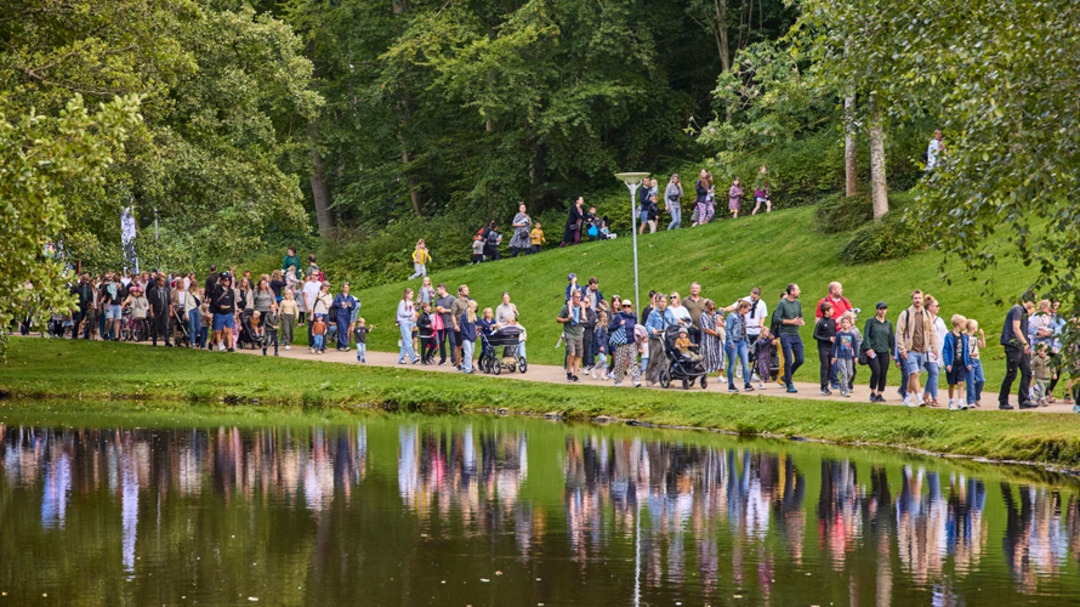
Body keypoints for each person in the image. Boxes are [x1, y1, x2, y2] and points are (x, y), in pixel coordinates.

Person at [895, 290, 939, 408]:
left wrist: (935, 348)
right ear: (912, 299)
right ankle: (920, 399)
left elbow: (931, 332)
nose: (917, 300)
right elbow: (899, 333)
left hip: (922, 350)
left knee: (912, 376)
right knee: (915, 373)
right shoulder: (906, 314)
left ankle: (907, 398)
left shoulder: (926, 314)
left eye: (919, 298)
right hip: (910, 350)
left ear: (923, 299)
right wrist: (902, 350)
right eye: (915, 298)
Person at [772, 283, 806, 393]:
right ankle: (789, 384)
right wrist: (791, 321)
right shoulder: (782, 303)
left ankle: (786, 376)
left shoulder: (797, 303)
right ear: (792, 292)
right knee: (788, 359)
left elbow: (799, 316)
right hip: (785, 334)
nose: (799, 291)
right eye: (797, 289)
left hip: (795, 334)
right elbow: (776, 319)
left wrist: (800, 321)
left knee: (800, 359)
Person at [862, 302, 895, 403]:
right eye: (880, 309)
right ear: (877, 310)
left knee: (883, 373)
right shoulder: (871, 321)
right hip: (873, 350)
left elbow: (891, 338)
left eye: (884, 308)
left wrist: (893, 352)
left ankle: (880, 393)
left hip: (884, 351)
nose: (882, 311)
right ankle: (872, 391)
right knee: (876, 371)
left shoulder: (888, 324)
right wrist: (868, 348)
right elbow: (866, 335)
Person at [644, 294, 675, 385]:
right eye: (661, 301)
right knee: (654, 359)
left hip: (666, 338)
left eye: (664, 301)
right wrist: (652, 329)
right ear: (657, 302)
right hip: (655, 339)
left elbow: (674, 323)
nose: (663, 303)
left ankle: (664, 379)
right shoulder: (653, 313)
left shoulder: (669, 312)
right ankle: (650, 379)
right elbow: (647, 325)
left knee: (665, 359)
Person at [610, 299, 641, 387]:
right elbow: (611, 328)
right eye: (624, 306)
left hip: (632, 341)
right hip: (622, 342)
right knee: (620, 362)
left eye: (628, 306)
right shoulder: (618, 317)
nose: (626, 308)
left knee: (633, 361)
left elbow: (635, 328)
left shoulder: (633, 317)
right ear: (622, 307)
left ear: (631, 307)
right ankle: (618, 380)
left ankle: (635, 380)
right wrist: (619, 324)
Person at [558, 289, 587, 382]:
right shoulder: (566, 307)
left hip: (579, 334)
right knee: (571, 353)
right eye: (577, 297)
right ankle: (569, 372)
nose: (578, 299)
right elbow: (558, 319)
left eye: (580, 297)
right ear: (573, 297)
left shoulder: (581, 308)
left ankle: (575, 375)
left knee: (578, 355)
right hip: (569, 333)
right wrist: (567, 320)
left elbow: (584, 319)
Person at [943, 314, 971, 410]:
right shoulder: (949, 336)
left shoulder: (964, 337)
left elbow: (966, 351)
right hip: (952, 363)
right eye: (964, 323)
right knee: (951, 384)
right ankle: (951, 401)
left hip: (961, 364)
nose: (965, 325)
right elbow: (945, 350)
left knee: (960, 383)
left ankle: (960, 402)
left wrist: (968, 363)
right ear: (959, 324)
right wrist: (947, 364)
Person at [725, 300, 754, 393]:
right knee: (732, 364)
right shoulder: (731, 316)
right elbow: (728, 330)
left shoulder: (743, 318)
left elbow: (744, 332)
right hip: (733, 342)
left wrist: (748, 344)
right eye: (747, 309)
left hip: (742, 342)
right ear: (742, 308)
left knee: (745, 363)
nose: (748, 312)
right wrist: (730, 342)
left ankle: (747, 384)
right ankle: (731, 385)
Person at [923, 296, 946, 407]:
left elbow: (945, 333)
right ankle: (935, 399)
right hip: (928, 351)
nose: (938, 308)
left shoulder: (939, 320)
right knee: (934, 373)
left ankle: (925, 395)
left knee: (933, 374)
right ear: (929, 307)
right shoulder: (925, 319)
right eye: (936, 306)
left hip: (940, 351)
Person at [813, 302, 837, 395]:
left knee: (830, 366)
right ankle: (823, 386)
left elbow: (834, 333)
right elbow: (815, 335)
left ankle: (827, 384)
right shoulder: (821, 322)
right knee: (825, 366)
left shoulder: (832, 321)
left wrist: (835, 339)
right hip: (823, 347)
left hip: (831, 347)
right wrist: (828, 339)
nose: (833, 311)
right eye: (831, 309)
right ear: (826, 311)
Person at [831, 315, 858, 397]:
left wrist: (856, 356)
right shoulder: (839, 334)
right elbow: (835, 345)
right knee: (844, 373)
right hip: (841, 357)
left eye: (847, 322)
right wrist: (833, 356)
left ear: (850, 324)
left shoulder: (851, 335)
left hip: (849, 357)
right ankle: (846, 390)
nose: (845, 324)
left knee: (850, 373)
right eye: (843, 322)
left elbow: (855, 346)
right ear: (841, 324)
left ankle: (842, 386)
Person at [210, 272, 237, 352]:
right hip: (219, 313)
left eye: (228, 280)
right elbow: (214, 302)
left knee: (229, 330)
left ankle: (229, 347)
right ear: (222, 281)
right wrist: (220, 306)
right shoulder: (217, 290)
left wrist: (234, 313)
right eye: (225, 280)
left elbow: (232, 303)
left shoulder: (231, 291)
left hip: (229, 313)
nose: (227, 282)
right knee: (217, 330)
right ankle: (213, 342)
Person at [699, 299, 725, 379]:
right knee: (705, 357)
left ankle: (720, 376)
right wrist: (716, 334)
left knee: (720, 355)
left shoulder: (715, 315)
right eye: (710, 308)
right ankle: (701, 373)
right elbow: (706, 329)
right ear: (706, 307)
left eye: (713, 308)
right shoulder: (703, 316)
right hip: (707, 340)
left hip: (717, 340)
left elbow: (721, 322)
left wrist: (721, 320)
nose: (712, 310)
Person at [965, 318, 986, 408]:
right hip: (969, 360)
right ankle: (970, 401)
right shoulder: (965, 337)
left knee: (981, 380)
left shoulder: (975, 337)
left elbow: (983, 346)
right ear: (973, 328)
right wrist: (970, 354)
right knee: (970, 382)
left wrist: (982, 336)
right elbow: (962, 351)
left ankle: (976, 397)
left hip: (977, 360)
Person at [396, 288, 420, 364]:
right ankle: (413, 357)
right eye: (411, 294)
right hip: (404, 323)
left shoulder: (410, 303)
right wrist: (410, 314)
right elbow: (402, 313)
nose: (412, 295)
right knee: (409, 340)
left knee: (405, 342)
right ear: (407, 294)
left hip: (410, 323)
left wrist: (413, 317)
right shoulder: (402, 303)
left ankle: (401, 359)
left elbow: (413, 312)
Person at [434, 284, 456, 366]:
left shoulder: (452, 298)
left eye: (438, 290)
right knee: (442, 342)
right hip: (441, 325)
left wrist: (445, 310)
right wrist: (437, 309)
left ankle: (453, 359)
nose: (437, 291)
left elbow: (455, 310)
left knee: (452, 342)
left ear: (443, 289)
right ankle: (443, 358)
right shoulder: (438, 300)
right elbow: (435, 308)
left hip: (450, 324)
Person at [332, 282, 357, 351]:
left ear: (349, 288)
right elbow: (334, 304)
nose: (346, 289)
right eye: (344, 288)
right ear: (342, 288)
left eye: (347, 288)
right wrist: (340, 303)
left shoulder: (350, 297)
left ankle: (339, 346)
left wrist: (350, 305)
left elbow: (354, 307)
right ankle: (345, 345)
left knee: (344, 329)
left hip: (347, 315)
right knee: (342, 329)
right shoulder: (339, 296)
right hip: (340, 315)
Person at [148, 274, 172, 347]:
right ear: (158, 281)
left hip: (164, 311)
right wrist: (151, 312)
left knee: (165, 326)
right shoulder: (153, 291)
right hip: (156, 311)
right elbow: (151, 303)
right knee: (155, 327)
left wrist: (170, 311)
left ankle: (167, 341)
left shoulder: (166, 290)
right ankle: (154, 341)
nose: (163, 282)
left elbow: (169, 302)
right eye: (162, 281)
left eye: (164, 281)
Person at [451, 285, 472, 367]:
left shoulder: (469, 302)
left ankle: (468, 363)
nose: (467, 291)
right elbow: (453, 314)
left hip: (468, 326)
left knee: (468, 345)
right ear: (461, 292)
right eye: (465, 290)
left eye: (467, 290)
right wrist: (455, 325)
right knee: (458, 345)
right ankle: (458, 363)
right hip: (459, 325)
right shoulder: (456, 302)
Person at [459, 300, 478, 374]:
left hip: (472, 337)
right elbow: (462, 326)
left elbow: (476, 324)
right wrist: (467, 334)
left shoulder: (473, 315)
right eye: (475, 307)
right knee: (468, 352)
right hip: (466, 337)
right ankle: (468, 369)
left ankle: (467, 365)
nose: (476, 309)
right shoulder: (464, 315)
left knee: (472, 353)